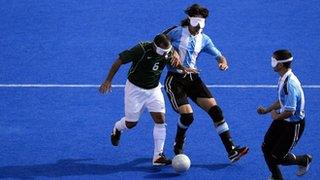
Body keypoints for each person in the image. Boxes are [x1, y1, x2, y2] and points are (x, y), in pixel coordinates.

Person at [163, 3, 248, 163]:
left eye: (201, 26)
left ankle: (232, 151)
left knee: (217, 112)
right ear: (189, 21)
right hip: (175, 80)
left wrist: (222, 63)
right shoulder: (175, 31)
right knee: (188, 117)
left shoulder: (204, 39)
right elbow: (158, 42)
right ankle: (178, 145)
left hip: (193, 79)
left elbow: (219, 55)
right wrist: (170, 51)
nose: (197, 29)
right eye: (196, 25)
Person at [99, 34, 195, 166]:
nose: (164, 54)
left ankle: (158, 157)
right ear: (154, 45)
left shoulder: (168, 51)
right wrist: (108, 80)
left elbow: (173, 61)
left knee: (160, 120)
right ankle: (117, 128)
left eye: (166, 52)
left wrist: (183, 68)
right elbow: (119, 61)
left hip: (154, 90)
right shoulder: (141, 49)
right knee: (131, 123)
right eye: (161, 51)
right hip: (135, 90)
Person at [257, 49, 312, 179]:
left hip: (293, 124)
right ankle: (277, 177)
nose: (271, 62)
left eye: (273, 60)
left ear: (280, 65)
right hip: (283, 119)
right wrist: (267, 110)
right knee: (266, 147)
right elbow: (282, 102)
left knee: (277, 157)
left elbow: (290, 111)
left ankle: (303, 160)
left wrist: (276, 116)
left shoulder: (290, 84)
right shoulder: (283, 77)